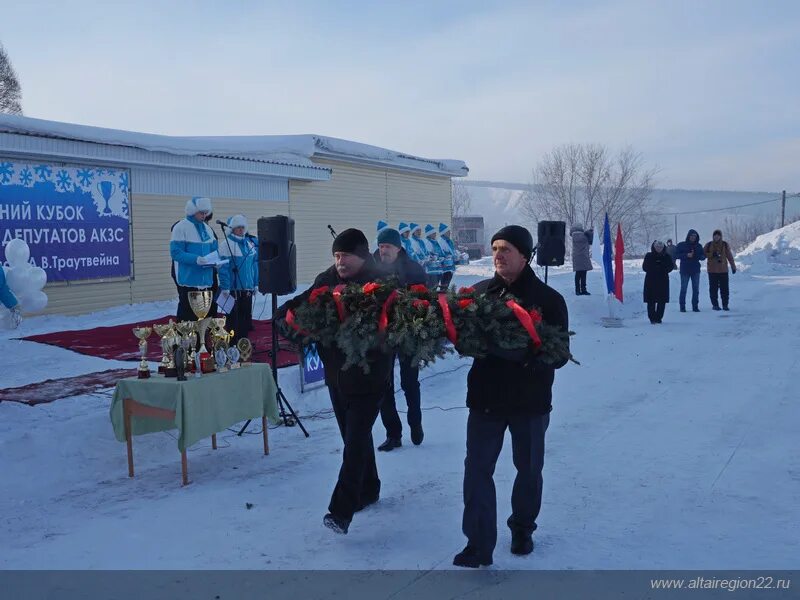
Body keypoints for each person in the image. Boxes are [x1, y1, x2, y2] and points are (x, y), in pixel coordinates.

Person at [454, 225, 569, 568]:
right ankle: (478, 543)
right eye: (495, 249)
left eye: (506, 249)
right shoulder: (477, 295)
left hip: (529, 402)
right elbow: (460, 335)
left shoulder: (548, 300)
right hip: (486, 398)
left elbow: (560, 353)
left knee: (529, 469)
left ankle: (522, 528)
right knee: (476, 471)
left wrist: (522, 354)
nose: (499, 255)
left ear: (525, 255)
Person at [275, 229, 392, 535]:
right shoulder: (328, 278)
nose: (340, 261)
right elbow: (302, 302)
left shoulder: (381, 283)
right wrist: (285, 317)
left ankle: (341, 510)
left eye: (346, 256)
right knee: (354, 437)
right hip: (336, 376)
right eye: (336, 256)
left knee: (354, 442)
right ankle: (370, 488)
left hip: (370, 376)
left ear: (362, 255)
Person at [372, 227, 427, 452]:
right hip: (381, 334)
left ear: (398, 247)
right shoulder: (371, 268)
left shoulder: (413, 270)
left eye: (388, 246)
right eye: (381, 246)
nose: (383, 250)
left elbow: (425, 300)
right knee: (384, 385)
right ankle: (393, 433)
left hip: (408, 332)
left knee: (409, 382)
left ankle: (415, 422)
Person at [170, 197, 219, 322]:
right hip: (188, 280)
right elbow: (176, 253)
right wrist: (196, 259)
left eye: (205, 213)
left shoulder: (208, 230)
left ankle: (202, 340)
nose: (204, 216)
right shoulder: (181, 227)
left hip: (206, 281)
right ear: (192, 211)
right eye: (201, 213)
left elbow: (215, 251)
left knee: (204, 319)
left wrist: (218, 261)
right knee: (188, 319)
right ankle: (186, 341)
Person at [218, 214, 258, 343]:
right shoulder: (227, 244)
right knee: (233, 319)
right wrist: (225, 286)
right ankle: (233, 344)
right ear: (232, 229)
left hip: (247, 288)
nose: (241, 230)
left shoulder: (249, 244)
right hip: (233, 289)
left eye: (242, 227)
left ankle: (243, 344)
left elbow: (254, 266)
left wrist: (255, 283)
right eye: (238, 227)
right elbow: (223, 268)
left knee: (245, 318)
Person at [703, 229, 737, 311]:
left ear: (720, 236)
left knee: (724, 289)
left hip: (723, 270)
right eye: (715, 235)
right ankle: (715, 305)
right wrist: (712, 254)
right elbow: (703, 254)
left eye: (718, 235)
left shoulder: (725, 245)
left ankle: (725, 305)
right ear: (713, 236)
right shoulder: (709, 245)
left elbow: (729, 256)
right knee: (713, 289)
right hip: (712, 271)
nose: (716, 237)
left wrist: (733, 266)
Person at [642, 240, 674, 324]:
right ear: (654, 247)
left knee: (662, 300)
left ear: (663, 248)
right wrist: (654, 267)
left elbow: (670, 267)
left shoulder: (667, 256)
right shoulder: (649, 256)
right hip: (651, 280)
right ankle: (652, 318)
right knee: (651, 300)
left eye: (660, 247)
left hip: (663, 280)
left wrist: (662, 267)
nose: (658, 248)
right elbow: (644, 267)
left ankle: (659, 317)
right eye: (657, 247)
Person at [674, 229, 706, 313]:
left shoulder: (699, 246)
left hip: (695, 270)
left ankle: (695, 306)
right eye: (691, 236)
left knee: (696, 289)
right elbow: (676, 255)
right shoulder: (682, 245)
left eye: (694, 236)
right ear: (688, 236)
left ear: (696, 237)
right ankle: (682, 307)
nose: (693, 238)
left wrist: (698, 256)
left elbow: (703, 256)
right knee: (683, 289)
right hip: (685, 270)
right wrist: (686, 255)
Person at [570, 223, 593, 296]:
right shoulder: (582, 235)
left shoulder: (575, 236)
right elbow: (589, 240)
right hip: (583, 256)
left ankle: (578, 290)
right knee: (583, 274)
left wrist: (588, 233)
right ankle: (583, 290)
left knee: (578, 274)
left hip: (577, 257)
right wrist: (590, 232)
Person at [423, 224, 444, 289]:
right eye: (433, 233)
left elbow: (440, 252)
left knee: (436, 285)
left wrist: (442, 257)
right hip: (431, 270)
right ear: (429, 234)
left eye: (435, 233)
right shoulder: (427, 242)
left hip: (438, 269)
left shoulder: (435, 242)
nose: (435, 234)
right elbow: (427, 255)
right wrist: (434, 257)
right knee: (431, 287)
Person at [437, 222, 457, 290]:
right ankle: (442, 294)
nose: (449, 233)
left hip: (450, 265)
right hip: (444, 267)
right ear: (443, 232)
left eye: (449, 232)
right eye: (447, 232)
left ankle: (444, 293)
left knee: (448, 281)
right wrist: (447, 256)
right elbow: (439, 254)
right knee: (444, 282)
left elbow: (452, 251)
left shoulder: (449, 241)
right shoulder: (440, 241)